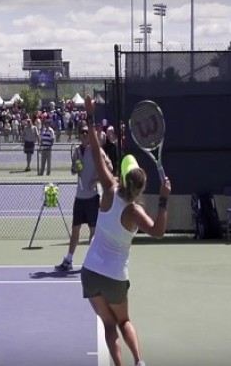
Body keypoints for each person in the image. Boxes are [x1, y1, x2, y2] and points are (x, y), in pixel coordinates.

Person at [79, 96, 172, 366]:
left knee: (109, 324)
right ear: (141, 185)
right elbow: (157, 232)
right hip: (115, 278)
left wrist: (91, 116)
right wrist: (164, 199)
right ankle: (139, 362)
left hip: (90, 273)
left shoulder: (109, 189)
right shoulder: (135, 212)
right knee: (124, 321)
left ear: (121, 174)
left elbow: (96, 152)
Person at [54, 124, 113, 271]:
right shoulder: (77, 151)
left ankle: (91, 262)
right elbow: (73, 170)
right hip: (79, 197)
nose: (85, 135)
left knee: (93, 231)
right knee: (75, 230)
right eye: (82, 132)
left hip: (92, 197)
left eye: (87, 132)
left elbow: (110, 168)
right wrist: (75, 168)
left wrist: (97, 179)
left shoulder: (97, 150)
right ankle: (68, 260)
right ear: (80, 135)